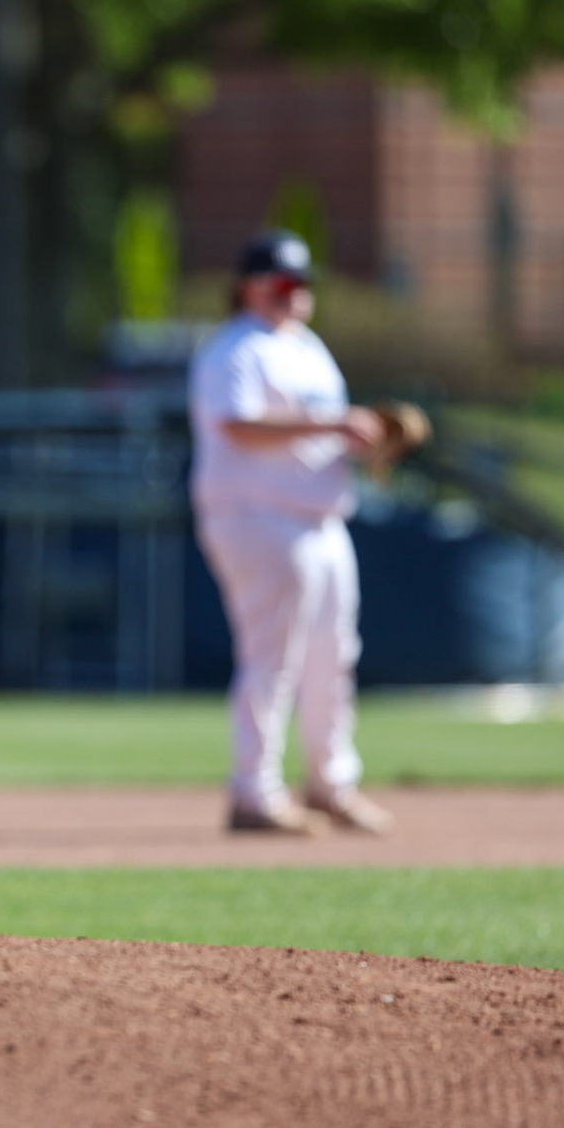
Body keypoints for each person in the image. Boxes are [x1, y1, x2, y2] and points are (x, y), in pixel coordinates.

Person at [187, 228, 395, 836]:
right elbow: (237, 425)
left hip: (322, 519)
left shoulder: (308, 348)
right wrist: (333, 423)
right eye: (279, 281)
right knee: (271, 657)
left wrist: (366, 444)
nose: (291, 292)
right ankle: (254, 792)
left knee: (334, 657)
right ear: (246, 288)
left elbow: (319, 437)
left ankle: (332, 785)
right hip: (256, 516)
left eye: (300, 282)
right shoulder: (235, 349)